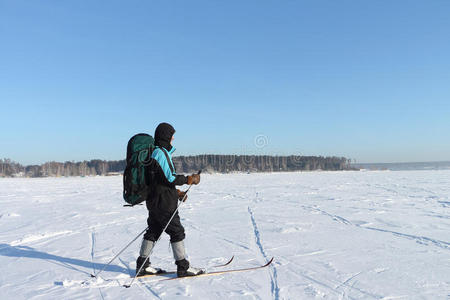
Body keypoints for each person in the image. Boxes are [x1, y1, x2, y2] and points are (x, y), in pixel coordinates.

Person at [135, 122, 202, 277]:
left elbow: (159, 181)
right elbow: (170, 177)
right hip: (164, 204)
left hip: (155, 201)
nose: (173, 139)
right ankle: (183, 267)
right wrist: (189, 179)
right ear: (165, 136)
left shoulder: (153, 153)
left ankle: (142, 265)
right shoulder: (161, 153)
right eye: (171, 136)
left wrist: (177, 193)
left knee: (153, 231)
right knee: (177, 231)